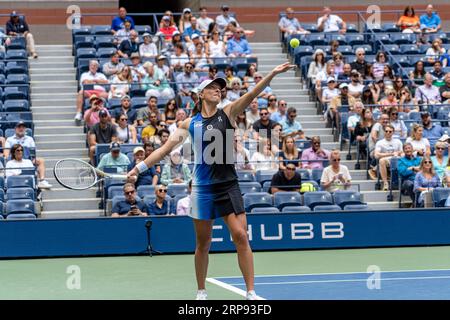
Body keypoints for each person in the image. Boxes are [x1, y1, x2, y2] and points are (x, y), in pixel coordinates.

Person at [127, 62, 295, 300]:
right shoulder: (189, 124)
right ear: (201, 94)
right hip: (203, 189)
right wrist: (138, 167)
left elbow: (252, 93)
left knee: (240, 235)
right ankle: (201, 290)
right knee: (203, 243)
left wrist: (272, 74)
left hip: (229, 185)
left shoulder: (228, 113)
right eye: (213, 87)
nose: (218, 90)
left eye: (220, 88)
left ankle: (250, 292)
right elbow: (164, 149)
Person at [4, 124, 52, 189]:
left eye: (23, 127)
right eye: (19, 127)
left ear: (25, 129)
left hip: (28, 159)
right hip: (13, 159)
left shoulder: (30, 139)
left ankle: (42, 180)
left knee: (41, 160)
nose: (21, 129)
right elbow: (6, 154)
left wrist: (28, 160)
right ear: (15, 129)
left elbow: (33, 153)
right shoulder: (10, 139)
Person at [374, 124, 404, 191]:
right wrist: (390, 154)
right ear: (384, 132)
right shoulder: (380, 142)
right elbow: (376, 154)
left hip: (397, 159)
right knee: (381, 161)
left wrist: (399, 153)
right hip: (387, 159)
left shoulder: (398, 141)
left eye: (390, 131)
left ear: (393, 132)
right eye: (386, 131)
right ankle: (385, 183)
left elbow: (402, 152)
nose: (388, 133)